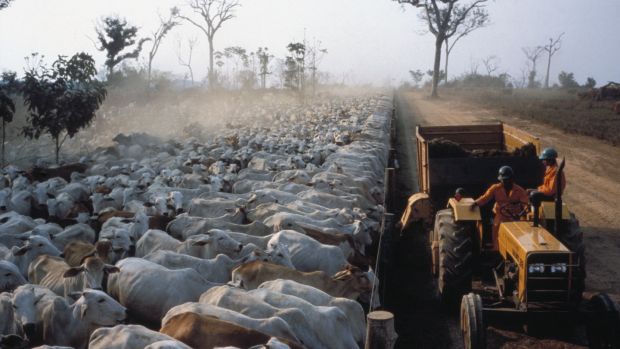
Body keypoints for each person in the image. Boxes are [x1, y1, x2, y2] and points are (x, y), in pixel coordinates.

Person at [470, 166, 528, 250]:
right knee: (496, 226)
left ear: (512, 179)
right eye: (503, 180)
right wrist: (475, 203)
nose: (505, 182)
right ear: (500, 180)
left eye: (508, 179)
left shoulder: (520, 190)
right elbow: (486, 197)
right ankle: (497, 249)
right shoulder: (495, 188)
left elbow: (525, 203)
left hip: (515, 216)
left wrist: (524, 213)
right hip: (501, 215)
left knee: (520, 230)